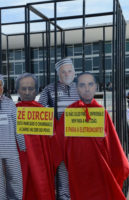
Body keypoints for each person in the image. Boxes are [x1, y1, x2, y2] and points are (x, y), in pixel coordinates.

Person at [56, 72, 129, 199]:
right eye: (82, 85)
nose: (87, 88)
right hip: (77, 168)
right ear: (77, 88)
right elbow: (57, 141)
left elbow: (112, 144)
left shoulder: (101, 112)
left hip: (99, 168)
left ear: (95, 87)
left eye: (90, 84)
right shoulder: (69, 112)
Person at [39, 57, 79, 200]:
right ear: (58, 74)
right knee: (62, 172)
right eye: (64, 72)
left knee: (77, 172)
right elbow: (40, 111)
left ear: (74, 72)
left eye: (70, 71)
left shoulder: (80, 88)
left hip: (78, 141)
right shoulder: (49, 89)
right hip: (59, 142)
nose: (67, 74)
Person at [16, 73, 56, 200]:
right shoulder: (10, 111)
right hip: (18, 164)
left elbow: (54, 141)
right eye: (23, 88)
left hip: (41, 165)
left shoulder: (45, 113)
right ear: (18, 90)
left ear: (37, 90)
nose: (27, 92)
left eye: (31, 88)